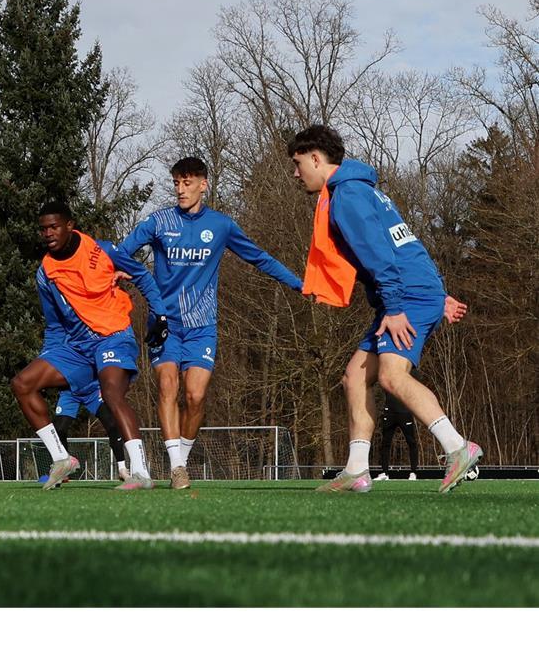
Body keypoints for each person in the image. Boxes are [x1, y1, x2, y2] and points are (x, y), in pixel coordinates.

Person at [288, 124, 481, 494]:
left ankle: (458, 447)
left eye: (298, 164)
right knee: (354, 377)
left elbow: (379, 254)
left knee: (392, 376)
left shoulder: (346, 196)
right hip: (412, 291)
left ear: (316, 158)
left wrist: (397, 306)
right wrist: (437, 295)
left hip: (404, 298)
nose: (296, 174)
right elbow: (405, 243)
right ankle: (357, 470)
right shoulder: (361, 190)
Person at [119, 156, 302, 489]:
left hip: (202, 325)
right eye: (176, 183)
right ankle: (177, 468)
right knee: (167, 387)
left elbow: (258, 257)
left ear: (204, 184)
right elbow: (122, 250)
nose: (180, 189)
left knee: (196, 396)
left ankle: (181, 460)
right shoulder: (159, 222)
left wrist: (298, 283)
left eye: (187, 183)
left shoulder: (221, 226)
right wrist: (116, 269)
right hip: (164, 323)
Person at [11, 200, 170, 491]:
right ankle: (62, 459)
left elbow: (143, 277)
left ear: (70, 226)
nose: (47, 233)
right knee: (23, 383)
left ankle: (141, 473)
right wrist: (50, 358)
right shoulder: (45, 274)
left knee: (111, 393)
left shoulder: (104, 250)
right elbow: (55, 324)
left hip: (114, 336)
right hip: (76, 347)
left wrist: (159, 314)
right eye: (43, 229)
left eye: (53, 227)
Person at [53, 382, 130, 482]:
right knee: (59, 429)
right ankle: (63, 467)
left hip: (93, 392)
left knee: (112, 425)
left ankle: (122, 469)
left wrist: (105, 387)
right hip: (69, 393)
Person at [376, 389, 419, 481]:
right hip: (389, 413)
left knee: (411, 441)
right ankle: (384, 472)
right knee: (385, 443)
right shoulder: (386, 376)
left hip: (405, 413)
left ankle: (413, 472)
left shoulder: (407, 377)